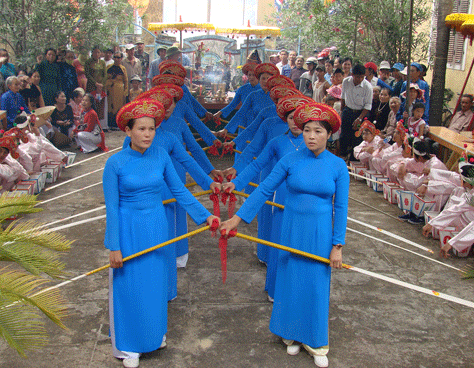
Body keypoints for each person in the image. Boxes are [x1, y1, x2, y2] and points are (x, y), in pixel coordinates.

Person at [219, 102, 348, 368]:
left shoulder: (338, 166)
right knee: (290, 278)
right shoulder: (290, 160)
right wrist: (237, 219)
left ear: (329, 135)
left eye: (318, 132)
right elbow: (264, 189)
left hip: (319, 232)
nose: (311, 136)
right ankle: (291, 333)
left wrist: (338, 244)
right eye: (307, 131)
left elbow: (341, 207)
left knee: (315, 282)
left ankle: (315, 340)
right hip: (291, 227)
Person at [104, 98, 219, 368]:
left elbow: (180, 191)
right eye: (141, 129)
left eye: (151, 129)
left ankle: (153, 335)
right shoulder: (115, 164)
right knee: (129, 286)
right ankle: (129, 346)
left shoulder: (161, 155)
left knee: (154, 284)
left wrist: (205, 216)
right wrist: (114, 246)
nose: (147, 134)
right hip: (129, 229)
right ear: (128, 131)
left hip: (157, 226)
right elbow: (111, 209)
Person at [223, 95, 311, 302]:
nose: (296, 123)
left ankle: (299, 296)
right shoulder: (277, 142)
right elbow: (256, 164)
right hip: (280, 201)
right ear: (285, 119)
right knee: (279, 247)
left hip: (306, 206)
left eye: (301, 119)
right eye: (291, 118)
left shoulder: (313, 145)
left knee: (303, 252)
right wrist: (236, 182)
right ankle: (276, 290)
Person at [339, 63, 373, 160]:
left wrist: (359, 118)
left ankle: (354, 159)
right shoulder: (346, 81)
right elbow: (343, 97)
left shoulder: (368, 87)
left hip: (361, 113)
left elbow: (368, 105)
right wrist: (342, 110)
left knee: (357, 137)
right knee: (344, 135)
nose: (359, 79)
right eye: (357, 77)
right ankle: (343, 156)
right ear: (352, 75)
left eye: (362, 77)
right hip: (348, 110)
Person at [106, 52, 128, 130]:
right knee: (110, 106)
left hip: (119, 90)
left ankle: (117, 124)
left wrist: (125, 91)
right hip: (110, 89)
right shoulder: (109, 67)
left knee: (118, 106)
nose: (116, 59)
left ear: (121, 59)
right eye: (115, 57)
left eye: (118, 57)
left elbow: (126, 80)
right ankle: (110, 124)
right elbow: (105, 78)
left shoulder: (123, 68)